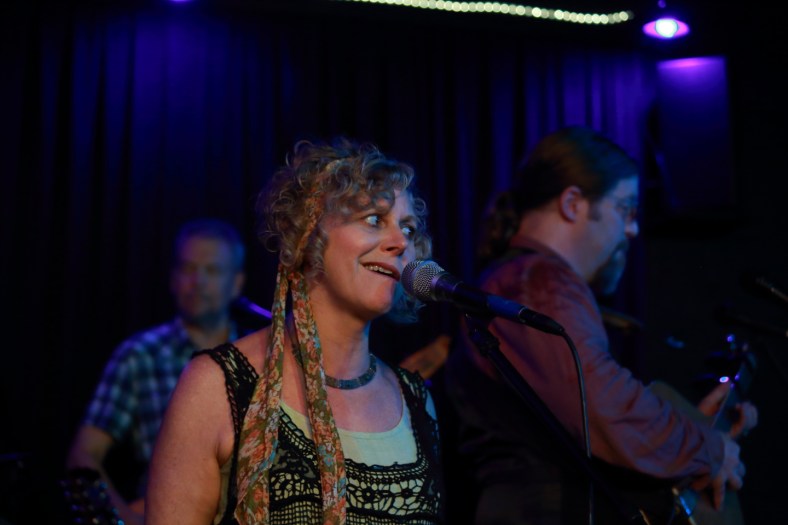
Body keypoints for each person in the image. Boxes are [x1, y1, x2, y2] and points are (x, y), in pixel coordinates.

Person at [444, 126, 757, 525]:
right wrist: (706, 448)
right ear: (572, 203)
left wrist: (688, 426)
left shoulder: (526, 281)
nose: (633, 229)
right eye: (626, 208)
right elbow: (603, 406)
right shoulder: (535, 282)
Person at [145, 138, 444, 524]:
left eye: (408, 228)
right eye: (374, 219)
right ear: (309, 232)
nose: (401, 242)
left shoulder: (415, 400)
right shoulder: (217, 385)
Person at [65, 218, 248, 524]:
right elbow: (84, 456)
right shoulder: (140, 355)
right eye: (188, 268)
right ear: (173, 278)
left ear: (237, 283)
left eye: (213, 271)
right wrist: (126, 518)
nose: (198, 281)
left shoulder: (257, 357)